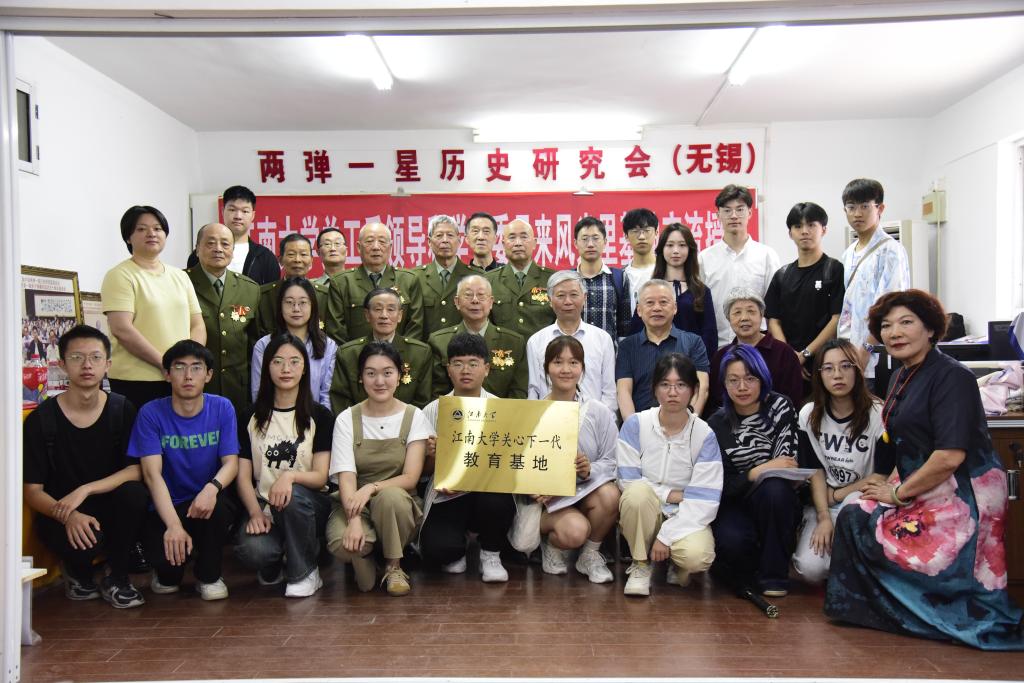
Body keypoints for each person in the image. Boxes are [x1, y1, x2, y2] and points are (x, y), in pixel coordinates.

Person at [826, 290, 1024, 650]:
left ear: (930, 329)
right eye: (886, 326)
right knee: (854, 515)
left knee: (883, 527)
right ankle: (889, 612)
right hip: (923, 484)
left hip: (964, 491)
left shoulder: (953, 377)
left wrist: (896, 493)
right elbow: (895, 440)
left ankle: (938, 617)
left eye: (906, 323)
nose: (894, 333)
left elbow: (949, 456)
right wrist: (884, 482)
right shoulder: (900, 376)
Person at [23, 325, 148, 608]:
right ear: (62, 365)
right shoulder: (42, 420)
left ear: (108, 365)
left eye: (95, 357)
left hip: (108, 505)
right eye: (77, 358)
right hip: (60, 512)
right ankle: (77, 572)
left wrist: (85, 490)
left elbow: (136, 470)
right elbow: (32, 491)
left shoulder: (121, 409)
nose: (87, 365)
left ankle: (117, 577)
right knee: (84, 543)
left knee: (135, 494)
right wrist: (69, 516)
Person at [130, 340, 239, 600]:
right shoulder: (150, 413)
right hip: (168, 504)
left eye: (196, 368)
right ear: (167, 374)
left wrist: (211, 489)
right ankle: (167, 569)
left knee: (219, 509)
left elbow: (231, 463)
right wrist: (173, 526)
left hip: (207, 501)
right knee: (168, 581)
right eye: (179, 367)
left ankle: (209, 576)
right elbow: (152, 475)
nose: (188, 376)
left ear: (208, 375)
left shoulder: (222, 407)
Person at [326, 342, 431, 596]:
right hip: (355, 505)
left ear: (399, 376)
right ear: (360, 378)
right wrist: (353, 521)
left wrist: (371, 488)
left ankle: (394, 566)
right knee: (342, 543)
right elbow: (347, 479)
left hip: (399, 505)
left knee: (390, 497)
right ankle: (368, 554)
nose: (380, 381)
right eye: (371, 373)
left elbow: (410, 478)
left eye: (387, 372)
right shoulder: (346, 419)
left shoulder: (414, 416)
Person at [235, 334, 333, 598]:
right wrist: (255, 513)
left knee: (293, 496)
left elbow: (320, 476)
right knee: (253, 551)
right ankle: (274, 562)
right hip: (265, 505)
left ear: (305, 368)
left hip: (307, 504)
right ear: (267, 367)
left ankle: (306, 572)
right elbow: (243, 477)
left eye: (294, 361)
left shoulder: (320, 416)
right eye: (277, 361)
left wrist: (289, 477)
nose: (286, 369)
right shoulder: (250, 416)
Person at [617, 353, 722, 597]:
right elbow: (627, 480)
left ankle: (676, 562)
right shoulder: (636, 424)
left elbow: (705, 500)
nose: (672, 392)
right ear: (655, 389)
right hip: (647, 511)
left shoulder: (704, 435)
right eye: (665, 384)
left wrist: (665, 536)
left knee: (698, 556)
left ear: (694, 390)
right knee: (636, 494)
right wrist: (669, 494)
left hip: (684, 514)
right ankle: (640, 564)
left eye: (681, 385)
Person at [707, 344, 802, 597]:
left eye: (750, 379)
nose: (742, 387)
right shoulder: (716, 424)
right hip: (735, 502)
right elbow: (723, 485)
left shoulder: (780, 406)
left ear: (762, 378)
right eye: (733, 380)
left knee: (775, 489)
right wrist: (757, 471)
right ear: (724, 384)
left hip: (775, 500)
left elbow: (785, 466)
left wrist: (760, 473)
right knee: (733, 543)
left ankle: (774, 577)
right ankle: (742, 569)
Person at [419, 333, 515, 582]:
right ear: (448, 369)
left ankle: (490, 553)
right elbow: (423, 472)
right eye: (458, 363)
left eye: (473, 363)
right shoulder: (433, 410)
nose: (465, 370)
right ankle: (457, 547)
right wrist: (434, 457)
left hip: (488, 492)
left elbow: (509, 464)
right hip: (447, 494)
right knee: (438, 552)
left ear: (487, 369)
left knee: (498, 499)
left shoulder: (502, 408)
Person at [792, 339, 885, 585]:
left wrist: (838, 495)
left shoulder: (878, 413)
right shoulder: (808, 414)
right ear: (819, 374)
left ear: (858, 370)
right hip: (824, 501)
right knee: (810, 570)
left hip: (863, 499)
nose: (837, 375)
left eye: (845, 366)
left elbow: (881, 475)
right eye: (829, 368)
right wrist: (824, 516)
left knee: (851, 505)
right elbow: (815, 471)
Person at [102, 205, 205, 411]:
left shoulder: (180, 276)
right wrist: (166, 364)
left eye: (158, 228)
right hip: (137, 380)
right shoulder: (120, 275)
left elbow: (197, 324)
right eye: (141, 229)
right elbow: (122, 329)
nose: (151, 233)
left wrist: (189, 363)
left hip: (180, 378)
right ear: (128, 237)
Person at [535, 336, 620, 584]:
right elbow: (520, 464)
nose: (565, 369)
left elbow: (613, 460)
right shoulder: (532, 413)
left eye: (573, 362)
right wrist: (534, 488)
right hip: (549, 501)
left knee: (610, 495)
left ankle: (589, 555)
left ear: (582, 368)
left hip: (586, 491)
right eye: (557, 362)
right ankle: (553, 545)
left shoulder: (598, 411)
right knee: (574, 531)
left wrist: (590, 469)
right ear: (546, 368)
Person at [836, 179, 911, 387]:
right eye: (851, 207)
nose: (857, 214)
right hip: (848, 354)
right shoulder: (848, 254)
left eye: (865, 206)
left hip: (876, 356)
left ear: (880, 208)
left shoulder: (891, 250)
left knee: (877, 405)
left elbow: (890, 306)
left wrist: (867, 349)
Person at [185, 222, 261, 412]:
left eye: (225, 244)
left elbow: (254, 343)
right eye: (210, 243)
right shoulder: (181, 282)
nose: (218, 249)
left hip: (238, 389)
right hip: (194, 386)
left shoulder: (250, 288)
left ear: (232, 251)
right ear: (197, 249)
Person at [765, 203, 845, 377]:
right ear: (790, 233)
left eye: (811, 225)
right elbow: (773, 320)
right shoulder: (782, 275)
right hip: (788, 365)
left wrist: (805, 354)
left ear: (823, 230)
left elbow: (837, 318)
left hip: (825, 363)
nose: (805, 231)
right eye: (798, 226)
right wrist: (790, 356)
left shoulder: (834, 269)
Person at [699, 184, 781, 349]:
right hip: (718, 345)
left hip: (759, 346)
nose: (734, 216)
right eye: (727, 210)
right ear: (718, 215)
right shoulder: (704, 258)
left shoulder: (766, 255)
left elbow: (775, 307)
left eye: (740, 209)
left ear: (750, 213)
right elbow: (700, 306)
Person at [616, 279, 710, 421]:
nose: (657, 308)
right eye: (650, 303)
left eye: (663, 302)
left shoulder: (693, 342)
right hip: (641, 424)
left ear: (675, 308)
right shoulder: (627, 346)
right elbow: (623, 391)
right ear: (639, 310)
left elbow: (701, 389)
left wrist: (689, 423)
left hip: (684, 423)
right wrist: (633, 427)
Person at [526, 271, 617, 414]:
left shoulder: (602, 339)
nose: (568, 301)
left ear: (584, 298)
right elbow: (533, 391)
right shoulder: (536, 341)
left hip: (593, 421)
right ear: (550, 300)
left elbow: (609, 392)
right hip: (550, 420)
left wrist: (601, 422)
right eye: (561, 295)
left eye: (574, 295)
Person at [331, 288, 433, 413]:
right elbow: (341, 400)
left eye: (391, 309)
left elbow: (423, 401)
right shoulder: (348, 354)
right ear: (367, 315)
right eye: (378, 309)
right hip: (360, 422)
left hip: (407, 423)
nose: (384, 315)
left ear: (400, 315)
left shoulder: (420, 353)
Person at [427, 275, 527, 399]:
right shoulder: (439, 341)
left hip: (501, 410)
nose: (475, 300)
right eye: (468, 295)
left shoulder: (513, 342)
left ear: (491, 302)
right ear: (457, 302)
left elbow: (518, 393)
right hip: (454, 409)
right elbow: (437, 393)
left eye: (481, 295)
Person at [628, 222, 717, 359]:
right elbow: (635, 332)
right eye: (670, 245)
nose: (676, 251)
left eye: (682, 245)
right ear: (662, 249)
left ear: (690, 249)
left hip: (691, 365)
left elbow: (709, 336)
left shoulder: (701, 291)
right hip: (653, 364)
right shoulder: (649, 290)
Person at [326, 222, 424, 343]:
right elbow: (336, 331)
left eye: (382, 242)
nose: (376, 247)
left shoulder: (409, 280)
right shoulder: (341, 282)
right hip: (357, 354)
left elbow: (415, 326)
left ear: (390, 247)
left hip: (399, 354)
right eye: (369, 241)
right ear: (358, 247)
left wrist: (397, 352)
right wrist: (355, 353)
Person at [708, 288, 804, 412]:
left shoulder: (784, 353)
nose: (744, 318)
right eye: (737, 312)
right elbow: (716, 401)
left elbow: (793, 399)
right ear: (728, 318)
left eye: (751, 311)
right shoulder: (721, 356)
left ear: (761, 315)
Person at [251, 278, 336, 410]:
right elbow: (259, 393)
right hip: (273, 418)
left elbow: (327, 396)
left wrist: (319, 420)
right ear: (280, 306)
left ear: (313, 306)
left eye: (303, 302)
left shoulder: (328, 346)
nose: (296, 309)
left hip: (315, 418)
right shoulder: (264, 345)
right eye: (289, 302)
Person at [187, 185, 279, 286]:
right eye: (232, 210)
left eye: (245, 211)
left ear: (253, 215)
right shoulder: (201, 254)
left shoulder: (266, 258)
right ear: (223, 211)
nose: (238, 216)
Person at [485, 219, 555, 340]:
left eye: (524, 237)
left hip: (543, 349)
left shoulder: (552, 279)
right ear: (503, 244)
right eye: (512, 238)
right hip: (503, 349)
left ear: (534, 243)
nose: (518, 243)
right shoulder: (489, 280)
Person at [255, 233, 330, 338]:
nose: (297, 260)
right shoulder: (263, 295)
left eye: (303, 254)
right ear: (280, 260)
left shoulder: (324, 295)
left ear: (311, 261)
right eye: (291, 254)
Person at [413, 215, 475, 337]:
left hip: (464, 346)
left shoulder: (475, 276)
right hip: (427, 347)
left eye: (450, 235)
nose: (445, 240)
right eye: (439, 235)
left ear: (459, 240)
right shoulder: (416, 277)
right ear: (429, 241)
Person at [574, 216, 627, 341]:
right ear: (575, 243)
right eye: (584, 239)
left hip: (609, 351)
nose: (590, 244)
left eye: (595, 238)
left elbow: (625, 324)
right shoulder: (568, 279)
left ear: (605, 242)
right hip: (574, 351)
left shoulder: (619, 277)